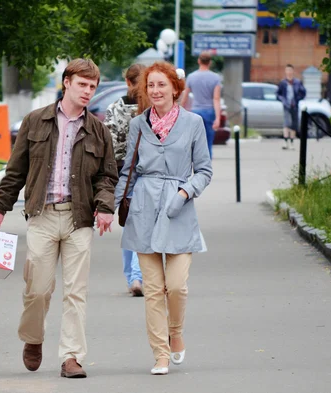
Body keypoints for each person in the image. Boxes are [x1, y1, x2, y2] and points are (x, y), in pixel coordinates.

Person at [0, 58, 118, 379]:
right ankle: (33, 338)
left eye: (93, 87)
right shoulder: (35, 121)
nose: (88, 91)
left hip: (80, 218)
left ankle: (71, 356)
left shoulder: (98, 131)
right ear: (67, 83)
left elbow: (107, 176)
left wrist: (104, 206)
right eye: (83, 85)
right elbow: (15, 171)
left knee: (76, 291)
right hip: (42, 216)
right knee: (38, 289)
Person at [115, 62, 213, 375]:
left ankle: (176, 332)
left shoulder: (193, 123)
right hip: (144, 207)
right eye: (151, 86)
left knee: (177, 286)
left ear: (175, 89)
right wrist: (113, 206)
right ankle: (160, 354)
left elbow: (205, 171)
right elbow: (128, 170)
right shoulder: (137, 125)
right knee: (153, 289)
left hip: (178, 210)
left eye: (161, 85)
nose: (155, 91)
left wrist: (184, 194)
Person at [103, 63, 147, 297]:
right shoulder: (151, 109)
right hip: (147, 173)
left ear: (127, 82)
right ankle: (137, 275)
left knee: (130, 225)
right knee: (142, 225)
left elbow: (107, 142)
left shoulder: (113, 108)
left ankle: (132, 276)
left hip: (121, 174)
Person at [179, 51, 221, 159]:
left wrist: (179, 111)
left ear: (199, 61)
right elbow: (216, 99)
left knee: (195, 142)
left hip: (195, 111)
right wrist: (218, 118)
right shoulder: (216, 78)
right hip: (209, 112)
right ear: (210, 62)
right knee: (208, 142)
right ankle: (206, 169)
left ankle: (196, 167)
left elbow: (185, 97)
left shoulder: (191, 77)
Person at [277, 64, 307, 150]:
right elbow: (278, 94)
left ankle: (292, 143)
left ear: (292, 71)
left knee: (294, 123)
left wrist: (298, 99)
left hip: (295, 105)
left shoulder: (297, 82)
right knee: (286, 123)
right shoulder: (283, 83)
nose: (289, 72)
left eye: (290, 70)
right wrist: (283, 100)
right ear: (285, 71)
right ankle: (286, 142)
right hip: (286, 105)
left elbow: (303, 92)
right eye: (287, 70)